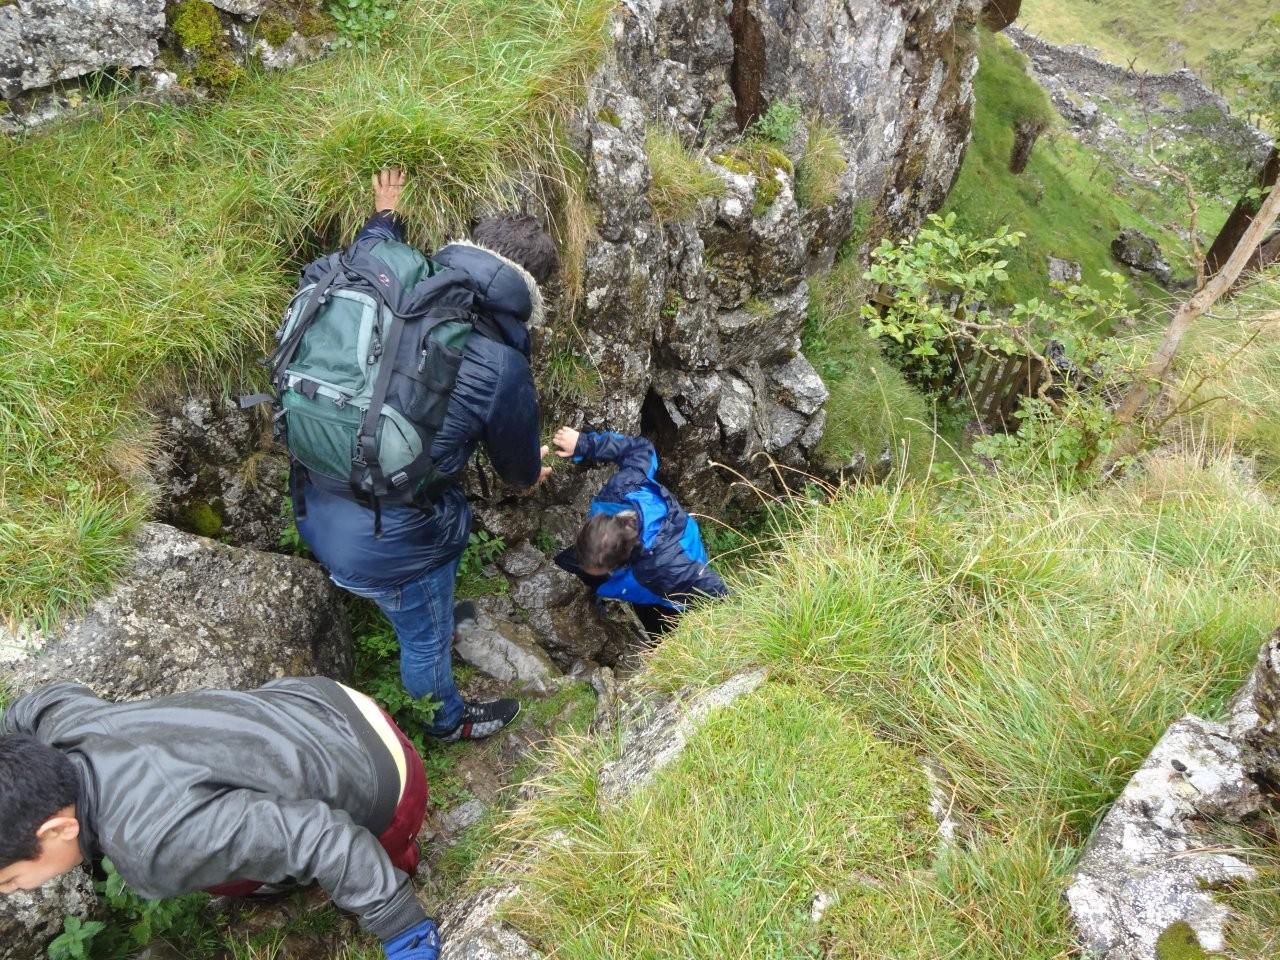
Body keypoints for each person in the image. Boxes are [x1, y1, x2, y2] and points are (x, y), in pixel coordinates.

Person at [291, 170, 556, 742]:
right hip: (394, 548)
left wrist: (385, 213)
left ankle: (423, 618)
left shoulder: (392, 282)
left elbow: (366, 251)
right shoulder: (501, 365)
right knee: (424, 640)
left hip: (316, 500)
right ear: (527, 292)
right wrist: (534, 472)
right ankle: (445, 720)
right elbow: (517, 473)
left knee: (413, 600)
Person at [0, 678, 441, 960]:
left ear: (58, 829)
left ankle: (400, 854)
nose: (15, 889)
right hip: (319, 699)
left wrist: (403, 932)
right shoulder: (60, 724)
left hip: (389, 777)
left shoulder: (154, 847)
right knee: (226, 848)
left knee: (366, 845)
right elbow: (30, 704)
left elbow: (327, 838)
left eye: (12, 880)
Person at [548, 427, 727, 637]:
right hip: (633, 563)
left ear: (618, 565)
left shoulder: (671, 570)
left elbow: (716, 592)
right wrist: (584, 444)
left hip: (661, 594)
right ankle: (595, 592)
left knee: (659, 633)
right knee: (564, 564)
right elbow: (641, 449)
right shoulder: (622, 491)